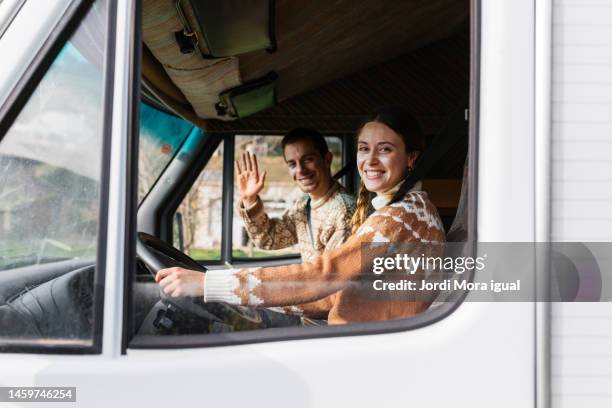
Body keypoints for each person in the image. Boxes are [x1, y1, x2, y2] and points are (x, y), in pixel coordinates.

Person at [156, 107, 446, 324]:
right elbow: (331, 290)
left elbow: (323, 277)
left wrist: (210, 284)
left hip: (361, 348)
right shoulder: (407, 209)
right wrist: (246, 298)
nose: (370, 160)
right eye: (363, 149)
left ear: (412, 158)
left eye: (385, 149)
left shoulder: (399, 218)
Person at [235, 128, 355, 318]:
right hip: (312, 318)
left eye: (308, 160)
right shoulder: (304, 204)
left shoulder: (345, 211)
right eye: (292, 164)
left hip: (335, 322)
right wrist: (250, 200)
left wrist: (262, 294)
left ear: (327, 159)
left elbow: (331, 284)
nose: (300, 170)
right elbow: (270, 239)